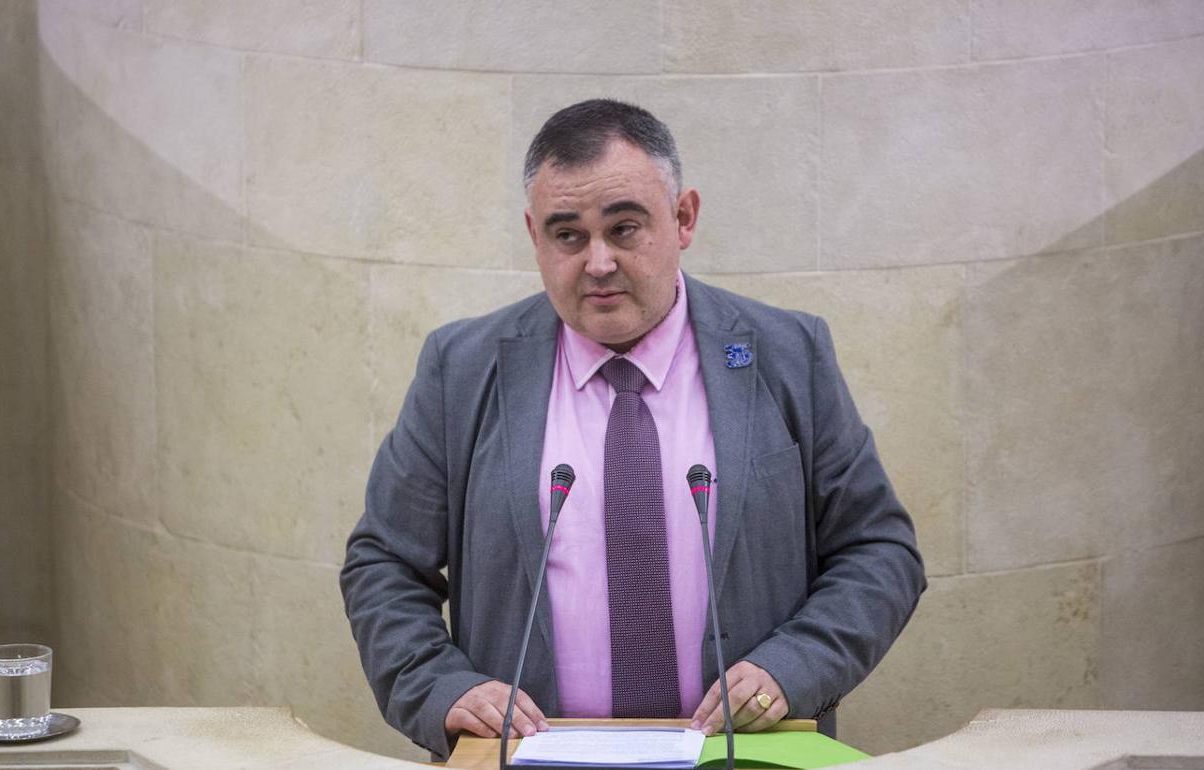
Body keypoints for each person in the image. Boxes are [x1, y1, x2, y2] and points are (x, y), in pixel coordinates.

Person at [341, 99, 927, 759]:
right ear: (534, 236)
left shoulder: (788, 354)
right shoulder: (463, 369)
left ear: (683, 219)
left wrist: (791, 668)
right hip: (534, 758)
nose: (597, 262)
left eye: (624, 229)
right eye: (568, 235)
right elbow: (385, 563)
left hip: (742, 753)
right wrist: (440, 686)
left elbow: (879, 550)